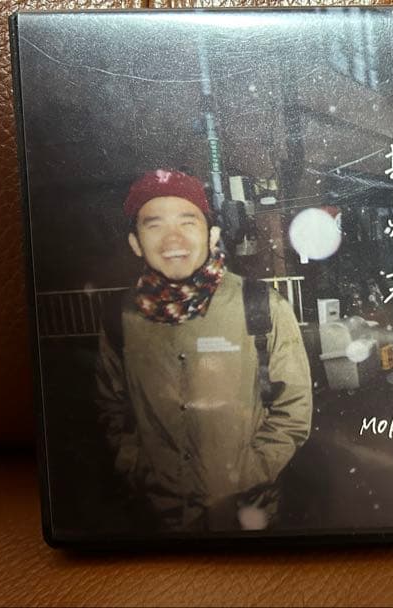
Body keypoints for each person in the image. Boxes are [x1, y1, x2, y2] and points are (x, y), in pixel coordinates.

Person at [94, 168, 312, 532]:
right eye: (155, 225)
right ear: (135, 242)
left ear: (211, 236)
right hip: (157, 519)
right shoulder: (120, 318)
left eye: (187, 222)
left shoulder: (261, 305)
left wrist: (250, 471)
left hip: (248, 515)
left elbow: (294, 407)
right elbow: (111, 407)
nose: (173, 238)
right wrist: (139, 469)